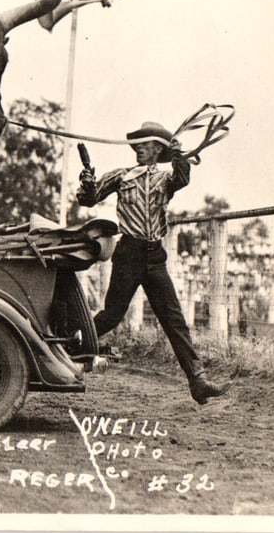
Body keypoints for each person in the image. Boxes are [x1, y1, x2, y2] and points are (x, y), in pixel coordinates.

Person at [78, 121, 232, 405]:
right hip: (128, 255)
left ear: (157, 149)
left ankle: (197, 380)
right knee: (113, 315)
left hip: (154, 256)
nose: (139, 148)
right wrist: (87, 184)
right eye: (138, 144)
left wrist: (179, 155)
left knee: (174, 319)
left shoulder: (165, 179)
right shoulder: (120, 177)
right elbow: (89, 199)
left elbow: (182, 178)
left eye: (146, 145)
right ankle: (70, 341)